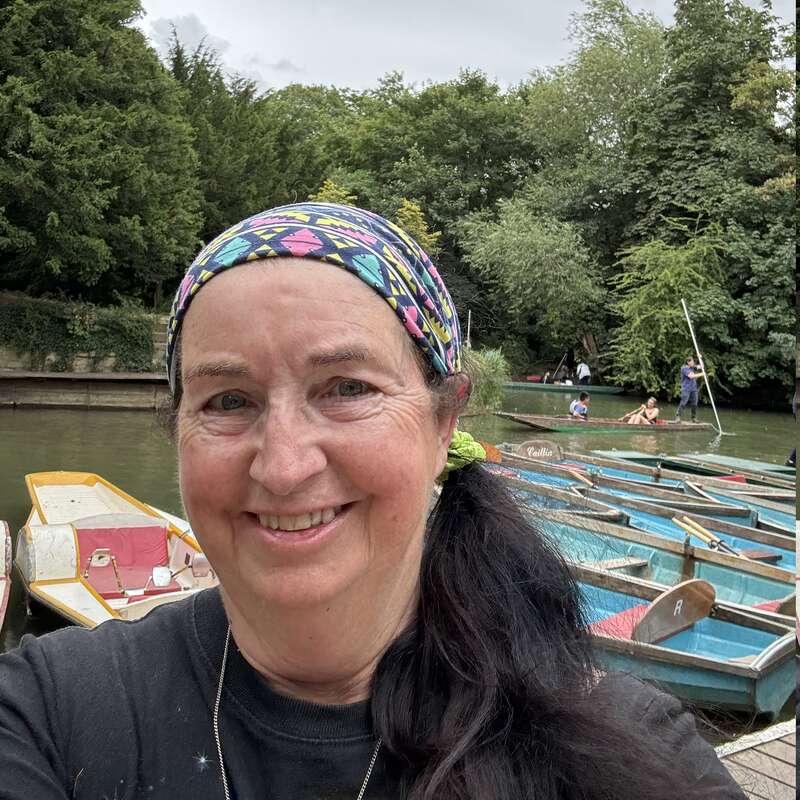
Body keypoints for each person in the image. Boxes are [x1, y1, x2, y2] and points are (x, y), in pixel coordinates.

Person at [0, 203, 744, 800]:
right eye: (228, 400)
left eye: (348, 389)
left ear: (444, 421)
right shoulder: (47, 715)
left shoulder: (630, 752)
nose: (285, 466)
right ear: (177, 432)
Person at [675, 355, 704, 422]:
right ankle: (678, 417)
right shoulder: (684, 368)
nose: (693, 363)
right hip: (686, 389)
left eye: (693, 362)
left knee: (694, 404)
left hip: (693, 389)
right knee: (683, 403)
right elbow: (691, 376)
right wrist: (702, 374)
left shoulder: (693, 367)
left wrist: (700, 358)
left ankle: (693, 418)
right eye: (692, 362)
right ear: (688, 362)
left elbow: (702, 366)